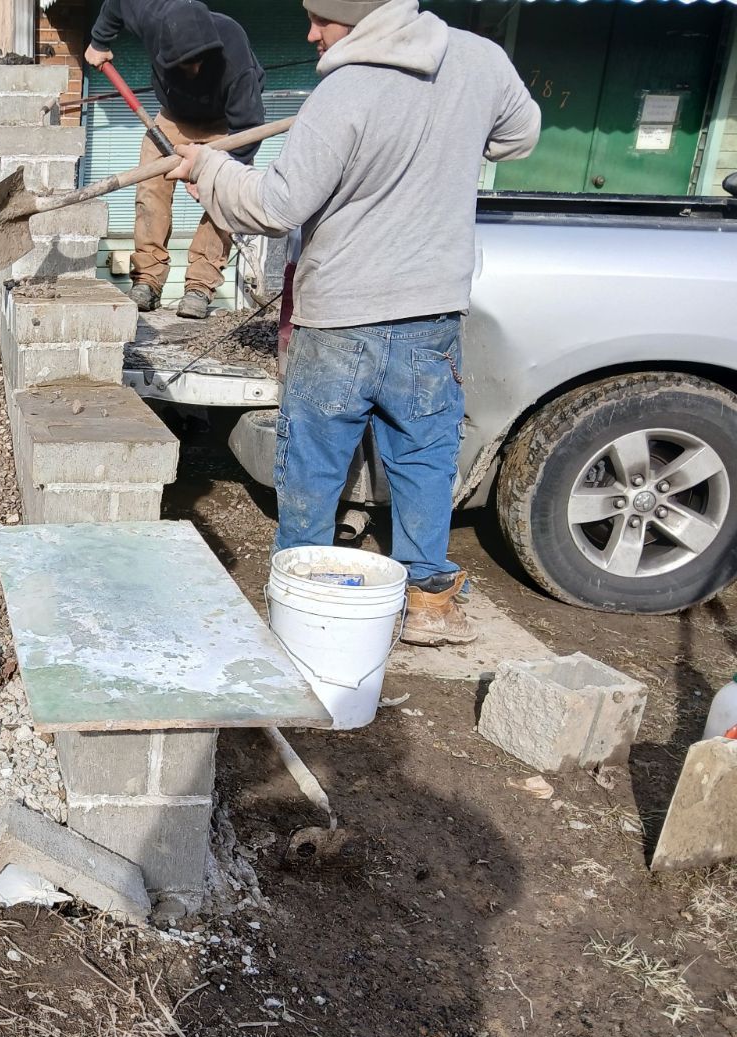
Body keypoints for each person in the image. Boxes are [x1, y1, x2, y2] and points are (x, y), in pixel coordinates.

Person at [167, 0, 540, 644]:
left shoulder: (344, 93)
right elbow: (519, 137)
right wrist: (449, 132)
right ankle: (427, 600)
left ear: (365, 17)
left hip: (342, 317)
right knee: (425, 457)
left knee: (313, 464)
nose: (310, 33)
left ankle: (304, 605)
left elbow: (278, 203)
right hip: (430, 315)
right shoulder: (480, 60)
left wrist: (211, 168)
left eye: (322, 20)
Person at [84, 0, 264, 319]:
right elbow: (117, 3)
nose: (193, 70)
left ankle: (199, 286)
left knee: (222, 198)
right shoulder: (152, 17)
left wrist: (214, 173)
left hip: (226, 124)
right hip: (173, 118)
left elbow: (249, 129)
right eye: (183, 64)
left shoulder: (235, 54)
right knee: (150, 188)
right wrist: (99, 42)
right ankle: (148, 281)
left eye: (198, 62)